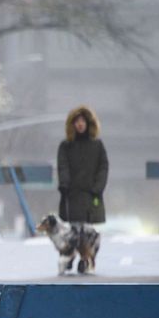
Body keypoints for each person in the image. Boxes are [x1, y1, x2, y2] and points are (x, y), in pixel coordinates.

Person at [57, 105, 108, 270]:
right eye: (76, 122)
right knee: (71, 231)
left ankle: (86, 258)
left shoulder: (97, 146)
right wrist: (64, 185)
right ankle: (70, 256)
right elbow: (62, 166)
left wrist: (97, 188)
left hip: (90, 195)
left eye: (82, 121)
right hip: (71, 195)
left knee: (87, 231)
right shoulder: (66, 146)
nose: (79, 125)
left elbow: (103, 167)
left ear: (88, 123)